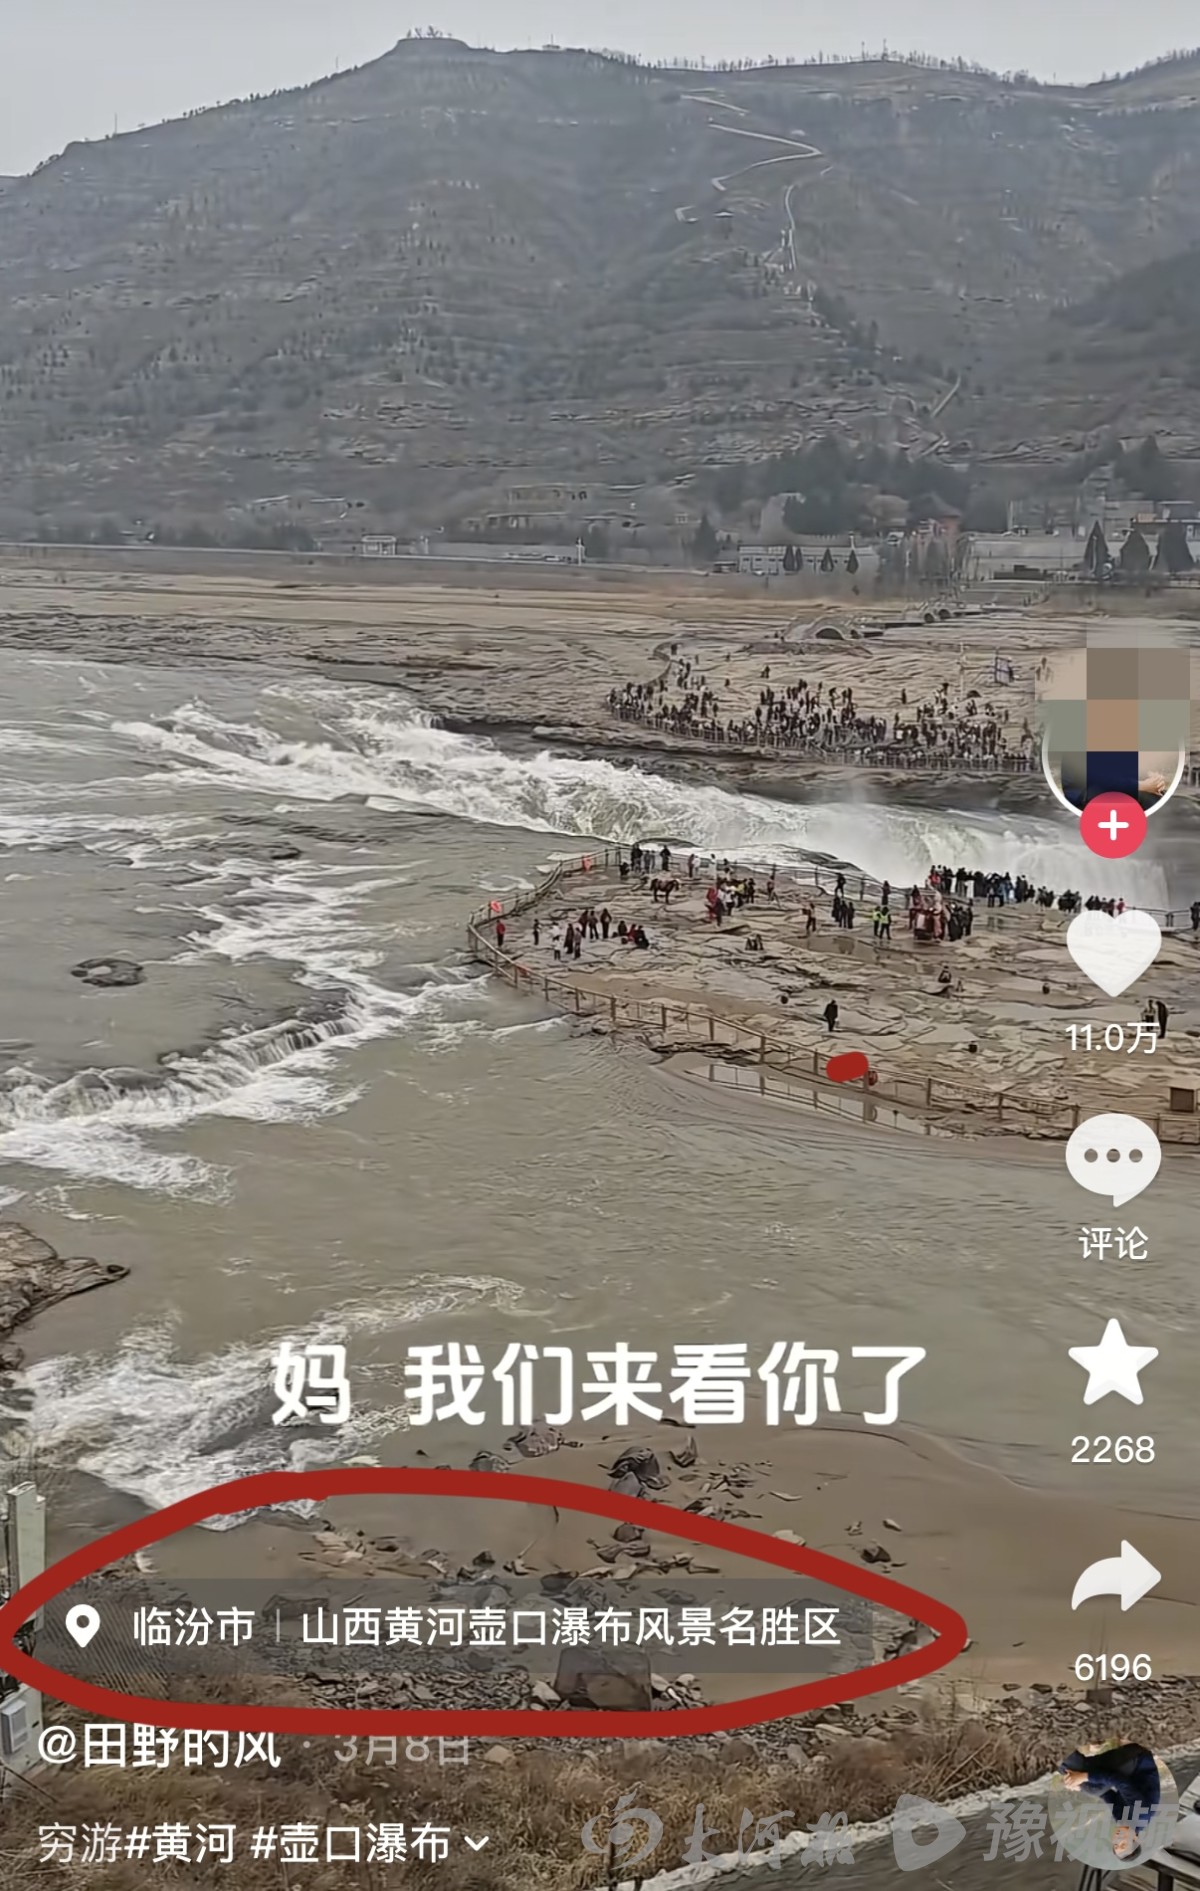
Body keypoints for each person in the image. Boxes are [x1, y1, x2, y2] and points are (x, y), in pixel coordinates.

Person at [1059, 1742, 1161, 1862]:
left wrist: (1079, 1787)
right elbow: (1118, 1781)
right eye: (1123, 1844)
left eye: (1115, 1844)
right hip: (1138, 1759)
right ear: (1135, 1839)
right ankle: (1059, 1748)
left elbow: (1105, 1794)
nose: (1117, 1839)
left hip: (1126, 1769)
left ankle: (1057, 1752)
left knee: (1073, 1776)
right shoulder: (1141, 1813)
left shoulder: (1122, 1821)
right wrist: (1084, 1777)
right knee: (1088, 1783)